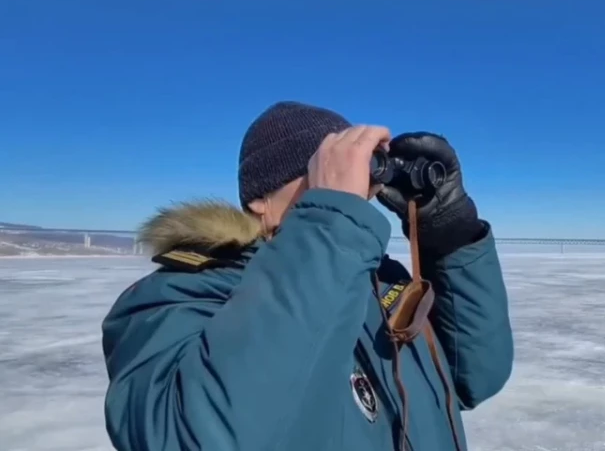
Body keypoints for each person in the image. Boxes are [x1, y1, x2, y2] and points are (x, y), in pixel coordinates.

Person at [101, 101, 514, 451]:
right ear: (260, 199)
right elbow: (190, 435)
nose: (350, 184)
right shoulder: (179, 296)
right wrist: (332, 218)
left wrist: (450, 238)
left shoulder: (373, 279)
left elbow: (472, 379)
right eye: (319, 169)